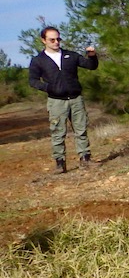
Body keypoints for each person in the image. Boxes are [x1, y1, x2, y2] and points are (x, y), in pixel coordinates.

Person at [28, 26, 99, 174]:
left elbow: (91, 66)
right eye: (52, 39)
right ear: (43, 41)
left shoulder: (70, 56)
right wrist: (48, 87)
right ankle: (60, 163)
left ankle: (85, 159)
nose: (56, 42)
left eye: (58, 39)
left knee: (81, 130)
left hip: (76, 99)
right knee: (58, 132)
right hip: (56, 101)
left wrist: (92, 55)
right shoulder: (38, 60)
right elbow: (33, 81)